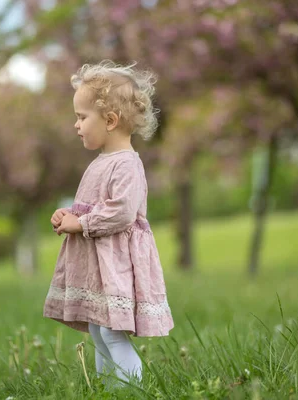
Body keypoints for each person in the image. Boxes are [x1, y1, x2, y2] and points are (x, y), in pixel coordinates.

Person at [43, 60, 173, 384]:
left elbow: (122, 212)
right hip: (96, 267)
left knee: (113, 333)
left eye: (82, 117)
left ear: (111, 120)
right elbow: (87, 207)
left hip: (115, 265)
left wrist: (82, 224)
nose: (77, 125)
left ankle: (133, 389)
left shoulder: (127, 164)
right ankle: (108, 389)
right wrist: (68, 216)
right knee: (99, 332)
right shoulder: (100, 163)